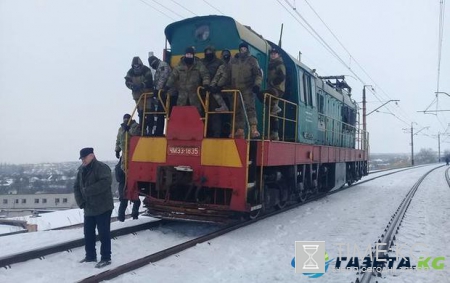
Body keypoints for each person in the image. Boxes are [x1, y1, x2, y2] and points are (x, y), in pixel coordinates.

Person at [74, 147, 114, 268]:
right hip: (89, 207)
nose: (83, 161)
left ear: (91, 156)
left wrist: (87, 191)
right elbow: (76, 187)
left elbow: (105, 183)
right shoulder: (81, 170)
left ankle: (106, 257)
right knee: (88, 233)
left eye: (84, 158)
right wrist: (81, 202)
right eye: (81, 159)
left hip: (103, 207)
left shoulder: (102, 168)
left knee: (103, 233)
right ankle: (90, 256)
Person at [230, 42, 262, 138]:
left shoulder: (252, 60)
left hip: (248, 88)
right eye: (241, 49)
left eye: (244, 48)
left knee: (250, 108)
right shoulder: (234, 60)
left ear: (247, 49)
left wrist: (257, 85)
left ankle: (253, 129)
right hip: (236, 89)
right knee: (237, 109)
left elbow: (258, 74)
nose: (243, 50)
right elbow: (228, 73)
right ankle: (240, 130)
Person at [164, 47, 210, 115]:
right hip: (182, 96)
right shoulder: (179, 66)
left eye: (190, 55)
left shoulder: (199, 65)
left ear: (193, 55)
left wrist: (206, 84)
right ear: (185, 55)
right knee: (181, 114)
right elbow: (172, 77)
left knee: (196, 114)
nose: (189, 56)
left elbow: (205, 74)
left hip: (195, 95)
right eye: (187, 54)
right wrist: (167, 86)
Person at [114, 114, 141, 221]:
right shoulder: (121, 129)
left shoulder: (135, 126)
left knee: (134, 186)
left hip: (134, 156)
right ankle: (121, 217)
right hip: (124, 156)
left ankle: (135, 215)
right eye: (124, 119)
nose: (126, 121)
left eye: (127, 119)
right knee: (122, 181)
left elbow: (137, 135)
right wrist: (117, 149)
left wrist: (129, 129)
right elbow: (118, 140)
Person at [124, 57, 154, 135]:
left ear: (140, 65)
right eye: (135, 66)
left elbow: (149, 80)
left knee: (149, 113)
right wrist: (132, 87)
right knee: (141, 113)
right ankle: (142, 131)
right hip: (138, 97)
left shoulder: (146, 70)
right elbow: (127, 82)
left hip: (148, 95)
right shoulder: (130, 72)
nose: (136, 68)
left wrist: (142, 85)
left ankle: (150, 130)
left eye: (138, 66)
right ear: (132, 66)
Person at [261, 47, 286, 141]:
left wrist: (271, 83)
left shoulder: (280, 64)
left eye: (275, 53)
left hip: (277, 89)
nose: (273, 55)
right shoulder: (271, 64)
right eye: (271, 53)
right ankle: (274, 134)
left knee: (262, 95)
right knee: (273, 113)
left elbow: (281, 77)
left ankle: (274, 133)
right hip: (273, 88)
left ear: (278, 55)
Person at [202, 46, 225, 137]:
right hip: (202, 92)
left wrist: (218, 86)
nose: (208, 53)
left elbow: (223, 74)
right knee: (202, 113)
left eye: (210, 51)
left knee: (215, 113)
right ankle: (203, 132)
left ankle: (216, 134)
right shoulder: (201, 62)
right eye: (206, 51)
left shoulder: (219, 63)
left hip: (215, 92)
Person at [148, 54, 172, 136]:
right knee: (160, 113)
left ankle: (167, 131)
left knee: (166, 113)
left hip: (169, 93)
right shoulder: (158, 67)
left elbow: (163, 78)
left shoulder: (162, 66)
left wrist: (157, 89)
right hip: (162, 94)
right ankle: (158, 131)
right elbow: (156, 81)